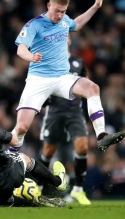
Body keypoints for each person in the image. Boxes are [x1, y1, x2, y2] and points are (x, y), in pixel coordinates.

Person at [8, 0, 125, 155]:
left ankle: (101, 135)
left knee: (92, 88)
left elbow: (76, 24)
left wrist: (95, 6)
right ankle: (10, 154)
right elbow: (20, 49)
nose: (60, 15)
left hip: (62, 78)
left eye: (63, 12)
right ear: (49, 5)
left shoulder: (64, 21)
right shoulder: (34, 24)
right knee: (21, 127)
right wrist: (31, 57)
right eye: (57, 11)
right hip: (39, 79)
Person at [39, 36, 91, 205]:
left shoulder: (78, 62)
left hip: (74, 112)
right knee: (48, 152)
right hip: (55, 112)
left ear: (69, 41)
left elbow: (85, 84)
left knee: (82, 147)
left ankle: (78, 190)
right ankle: (38, 186)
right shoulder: (48, 62)